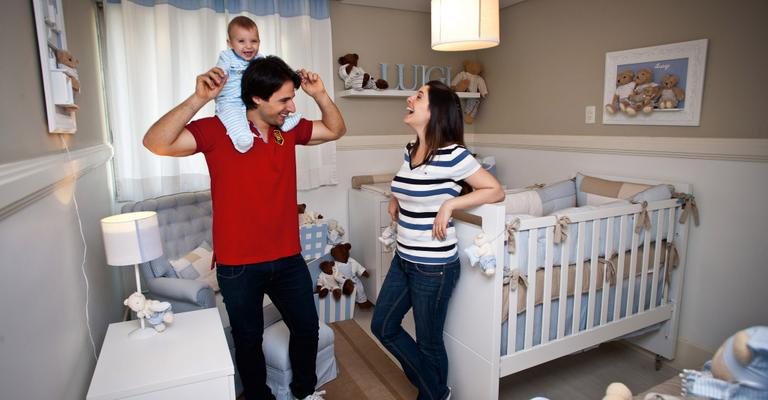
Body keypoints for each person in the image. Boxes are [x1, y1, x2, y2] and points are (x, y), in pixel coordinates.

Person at [143, 55, 345, 400]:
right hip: (238, 265)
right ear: (257, 98)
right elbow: (156, 142)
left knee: (307, 328)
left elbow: (335, 129)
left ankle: (303, 391)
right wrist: (199, 99)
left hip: (287, 258)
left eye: (292, 98)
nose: (291, 106)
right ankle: (257, 395)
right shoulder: (217, 130)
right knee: (248, 339)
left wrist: (321, 94)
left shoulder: (289, 128)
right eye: (283, 99)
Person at [370, 80, 504, 400]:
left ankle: (431, 394)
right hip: (404, 259)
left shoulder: (454, 155)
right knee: (382, 326)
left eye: (418, 96)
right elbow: (406, 182)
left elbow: (495, 190)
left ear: (434, 112)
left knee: (429, 342)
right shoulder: (411, 150)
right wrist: (394, 197)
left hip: (434, 266)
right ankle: (437, 391)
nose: (409, 99)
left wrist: (451, 204)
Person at [216, 16, 300, 153]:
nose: (248, 46)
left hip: (248, 100)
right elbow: (220, 71)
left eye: (254, 41)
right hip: (230, 100)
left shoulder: (259, 58)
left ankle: (284, 124)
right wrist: (217, 76)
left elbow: (270, 76)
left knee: (272, 111)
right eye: (241, 41)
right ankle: (242, 138)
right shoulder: (226, 57)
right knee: (235, 119)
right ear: (230, 43)